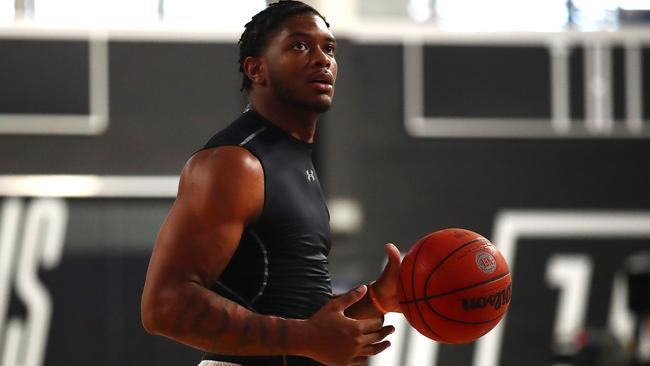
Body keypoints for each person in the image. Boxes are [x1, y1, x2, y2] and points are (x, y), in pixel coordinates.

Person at [140, 1, 403, 365]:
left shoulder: (295, 162)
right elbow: (164, 306)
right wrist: (308, 337)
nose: (321, 59)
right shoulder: (235, 163)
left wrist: (377, 300)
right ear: (256, 69)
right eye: (299, 45)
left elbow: (300, 322)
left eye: (329, 48)